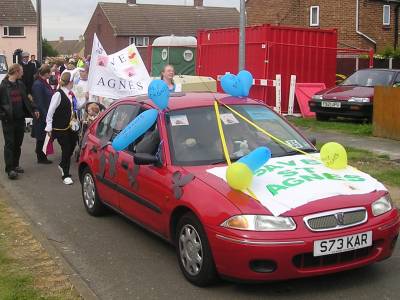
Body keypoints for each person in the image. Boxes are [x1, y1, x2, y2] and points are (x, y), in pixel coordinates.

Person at [0, 64, 39, 179]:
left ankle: (15, 165)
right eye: (21, 71)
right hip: (8, 120)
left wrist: (34, 108)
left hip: (19, 119)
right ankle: (10, 169)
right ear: (16, 72)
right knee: (10, 144)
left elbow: (27, 100)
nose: (23, 73)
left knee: (18, 143)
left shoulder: (20, 84)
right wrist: (3, 115)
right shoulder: (3, 86)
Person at [45, 71, 79, 185]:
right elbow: (50, 112)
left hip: (71, 127)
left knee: (73, 145)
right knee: (66, 148)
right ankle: (65, 174)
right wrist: (49, 127)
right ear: (70, 82)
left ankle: (62, 164)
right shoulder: (58, 94)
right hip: (60, 128)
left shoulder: (71, 93)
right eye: (73, 81)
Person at [32, 65, 54, 164]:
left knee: (44, 136)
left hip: (45, 112)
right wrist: (46, 116)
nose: (51, 74)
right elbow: (39, 102)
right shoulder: (38, 84)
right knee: (41, 136)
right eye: (49, 72)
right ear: (45, 73)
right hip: (42, 115)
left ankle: (42, 155)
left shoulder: (44, 82)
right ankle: (41, 157)